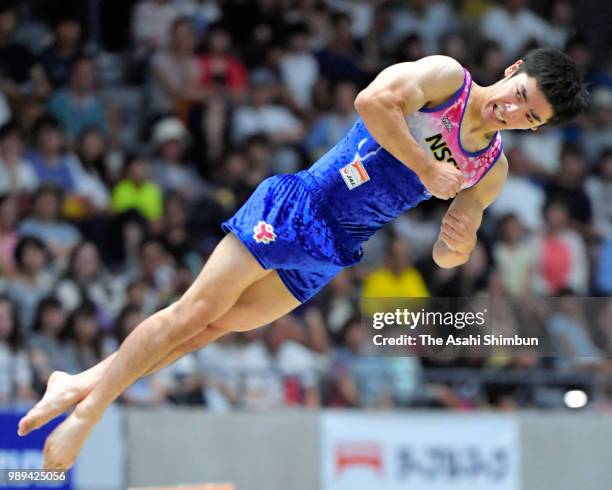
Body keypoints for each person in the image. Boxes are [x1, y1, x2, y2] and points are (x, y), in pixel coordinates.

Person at [17, 48, 589, 469]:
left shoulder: (492, 170)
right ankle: (86, 414)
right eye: (520, 98)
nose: (513, 114)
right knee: (192, 312)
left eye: (530, 119)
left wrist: (458, 240)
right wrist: (424, 166)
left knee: (207, 331)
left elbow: (446, 254)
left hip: (335, 249)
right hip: (302, 204)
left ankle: (76, 384)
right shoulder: (447, 79)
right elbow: (372, 103)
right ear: (513, 71)